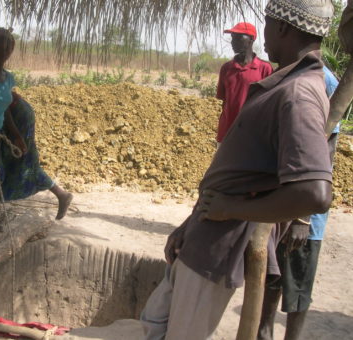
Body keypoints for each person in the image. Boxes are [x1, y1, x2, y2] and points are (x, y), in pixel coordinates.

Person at [140, 0, 334, 339]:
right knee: (154, 323)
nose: (265, 34)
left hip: (219, 246)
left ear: (284, 28)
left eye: (269, 23)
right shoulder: (286, 83)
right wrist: (191, 222)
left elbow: (314, 193)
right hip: (205, 234)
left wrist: (231, 208)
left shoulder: (299, 94)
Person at [0, 28, 72, 244]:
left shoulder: (7, 78)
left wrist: (16, 136)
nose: (3, 52)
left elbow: (6, 111)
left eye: (7, 48)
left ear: (11, 51)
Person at [256, 65, 340, 340]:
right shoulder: (285, 74)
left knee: (297, 286)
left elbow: (325, 150)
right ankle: (264, 333)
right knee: (271, 279)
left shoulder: (324, 80)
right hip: (275, 206)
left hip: (303, 214)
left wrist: (302, 217)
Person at [216, 22, 273, 145]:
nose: (233, 42)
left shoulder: (264, 69)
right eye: (232, 38)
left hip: (252, 136)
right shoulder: (226, 69)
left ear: (251, 39)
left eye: (238, 37)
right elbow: (224, 101)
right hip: (226, 133)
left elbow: (269, 105)